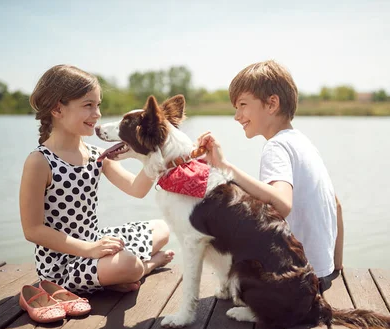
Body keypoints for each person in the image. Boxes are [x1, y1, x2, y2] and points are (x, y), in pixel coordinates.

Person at [19, 64, 174, 294]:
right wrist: (89, 249)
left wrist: (155, 153)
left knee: (162, 228)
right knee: (127, 264)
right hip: (62, 265)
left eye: (98, 105)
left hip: (95, 242)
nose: (97, 114)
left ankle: (118, 276)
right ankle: (146, 267)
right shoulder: (39, 161)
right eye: (88, 105)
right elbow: (32, 230)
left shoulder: (95, 155)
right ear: (57, 109)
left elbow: (136, 189)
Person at [197, 60, 344, 279]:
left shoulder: (275, 146)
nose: (237, 116)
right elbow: (336, 205)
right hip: (320, 274)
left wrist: (224, 167)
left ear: (271, 104)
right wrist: (335, 267)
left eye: (243, 105)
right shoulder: (303, 143)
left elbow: (282, 204)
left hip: (296, 277)